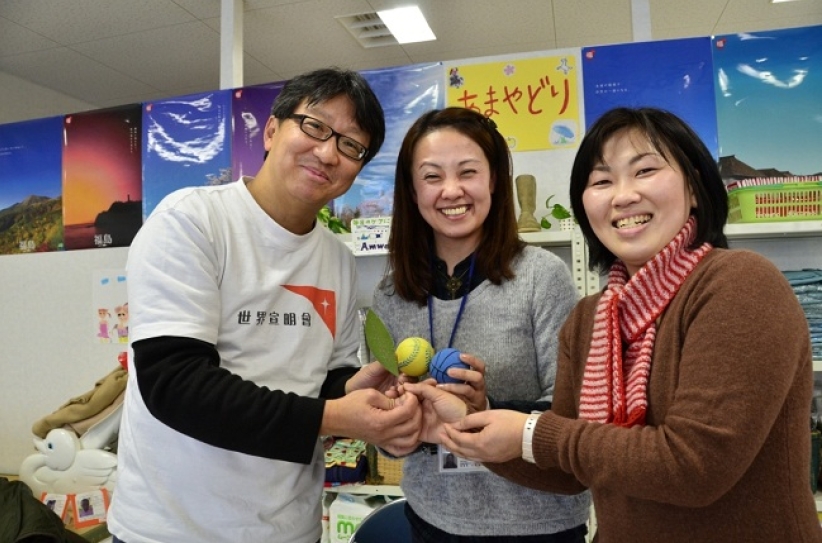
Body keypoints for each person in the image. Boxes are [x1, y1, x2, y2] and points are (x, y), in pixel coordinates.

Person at [430, 107, 822, 542]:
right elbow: (570, 469)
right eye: (601, 181)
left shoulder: (740, 284)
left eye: (645, 170)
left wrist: (530, 431)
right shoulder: (588, 319)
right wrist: (475, 420)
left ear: (693, 186)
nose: (622, 196)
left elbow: (694, 466)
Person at [107, 67, 423, 543]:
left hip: (289, 528)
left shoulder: (336, 259)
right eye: (314, 126)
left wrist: (355, 390)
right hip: (171, 528)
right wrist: (336, 416)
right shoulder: (192, 221)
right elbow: (174, 383)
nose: (327, 152)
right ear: (273, 130)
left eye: (350, 146)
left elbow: (326, 378)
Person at [372, 107, 591, 542]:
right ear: (413, 192)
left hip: (537, 525)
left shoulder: (541, 276)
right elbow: (386, 419)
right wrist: (392, 428)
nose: (452, 191)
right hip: (430, 518)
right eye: (432, 176)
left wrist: (486, 407)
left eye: (468, 172)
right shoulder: (391, 294)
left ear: (493, 180)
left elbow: (572, 416)